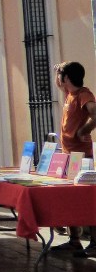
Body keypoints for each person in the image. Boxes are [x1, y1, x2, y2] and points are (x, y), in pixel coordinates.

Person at [52, 61, 96, 256]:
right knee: (69, 197)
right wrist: (59, 69)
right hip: (69, 155)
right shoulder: (69, 94)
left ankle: (94, 241)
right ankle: (74, 240)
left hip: (80, 156)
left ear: (67, 78)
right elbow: (59, 84)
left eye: (61, 76)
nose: (59, 80)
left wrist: (83, 130)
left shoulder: (83, 94)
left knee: (86, 198)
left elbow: (95, 113)